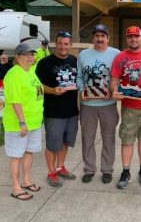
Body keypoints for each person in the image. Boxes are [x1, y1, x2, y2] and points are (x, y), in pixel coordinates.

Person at [110, 26, 141, 189]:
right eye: (130, 37)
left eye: (136, 37)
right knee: (127, 139)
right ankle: (126, 171)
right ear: (126, 39)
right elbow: (114, 79)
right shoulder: (120, 57)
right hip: (130, 106)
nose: (133, 39)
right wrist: (115, 91)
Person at [77, 24, 120, 184]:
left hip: (108, 104)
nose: (100, 39)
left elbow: (122, 76)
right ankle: (89, 170)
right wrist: (81, 89)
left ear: (108, 38)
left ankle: (107, 170)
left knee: (108, 138)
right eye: (97, 36)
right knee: (87, 138)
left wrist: (113, 89)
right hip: (88, 105)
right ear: (93, 38)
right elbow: (79, 77)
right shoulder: (83, 55)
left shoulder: (116, 54)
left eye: (103, 36)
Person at [36, 31, 78, 187]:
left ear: (70, 45)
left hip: (72, 111)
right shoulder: (45, 63)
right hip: (53, 112)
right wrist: (53, 91)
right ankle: (51, 172)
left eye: (66, 43)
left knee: (66, 141)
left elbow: (79, 81)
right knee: (53, 144)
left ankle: (60, 167)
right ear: (55, 43)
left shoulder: (74, 60)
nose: (63, 46)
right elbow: (37, 86)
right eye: (60, 43)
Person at [3, 43, 44, 200]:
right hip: (19, 124)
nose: (30, 57)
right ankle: (16, 187)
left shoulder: (30, 71)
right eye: (26, 55)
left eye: (32, 54)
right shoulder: (14, 74)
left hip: (34, 122)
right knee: (16, 155)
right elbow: (15, 100)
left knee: (29, 152)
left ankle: (26, 180)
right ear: (18, 57)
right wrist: (22, 122)